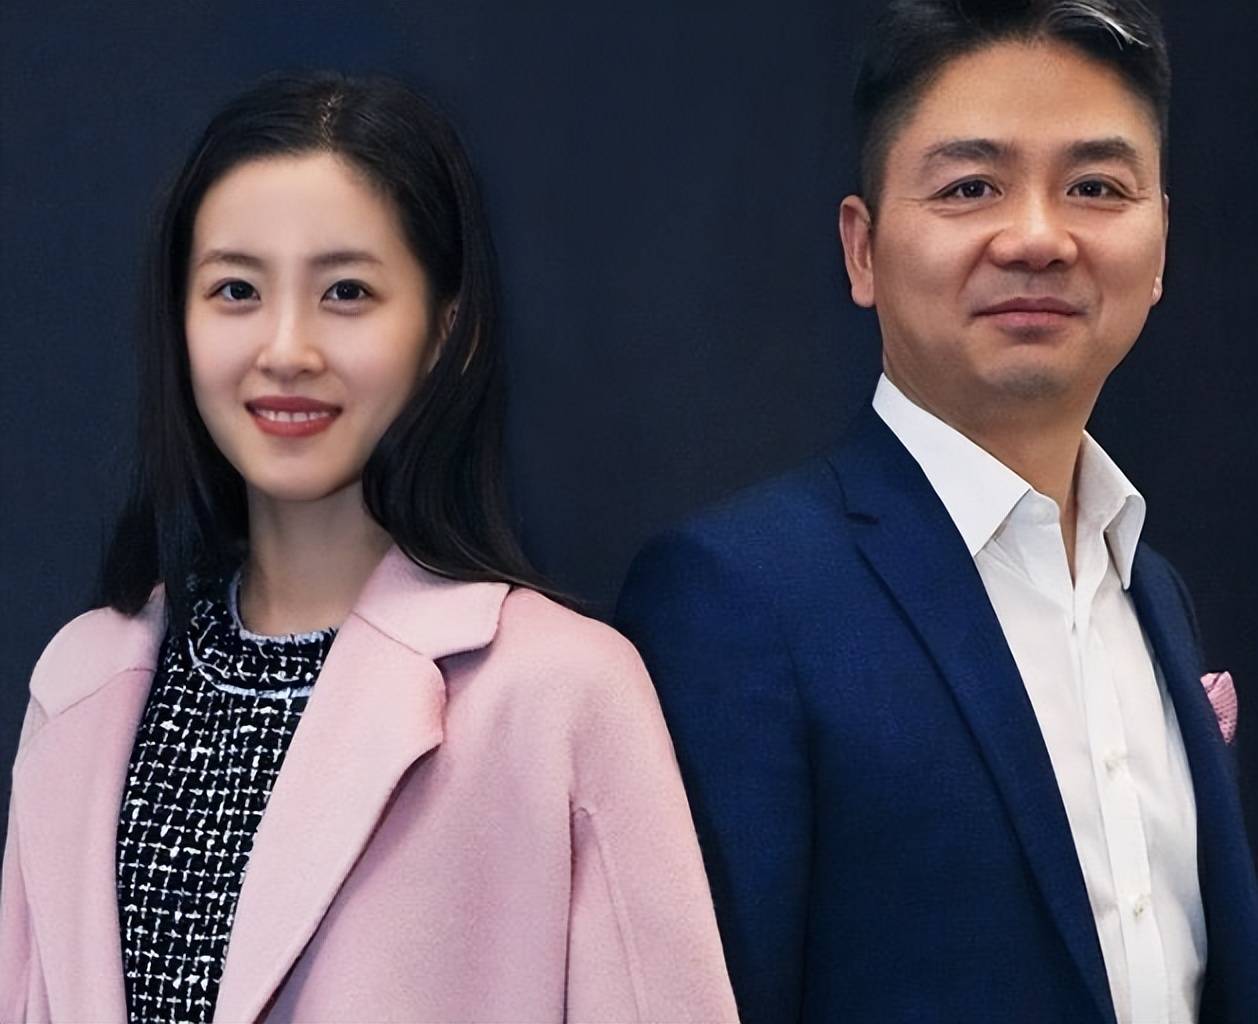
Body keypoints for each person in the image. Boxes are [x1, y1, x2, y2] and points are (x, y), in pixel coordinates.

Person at [0, 72, 737, 1023]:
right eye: (235, 290)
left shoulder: (561, 691)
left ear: (446, 329)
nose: (286, 348)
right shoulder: (83, 680)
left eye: (346, 291)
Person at [616, 2, 1258, 1022]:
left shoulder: (1154, 590)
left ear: (1161, 244)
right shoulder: (737, 597)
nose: (1039, 237)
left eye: (1095, 187)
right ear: (863, 250)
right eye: (970, 187)